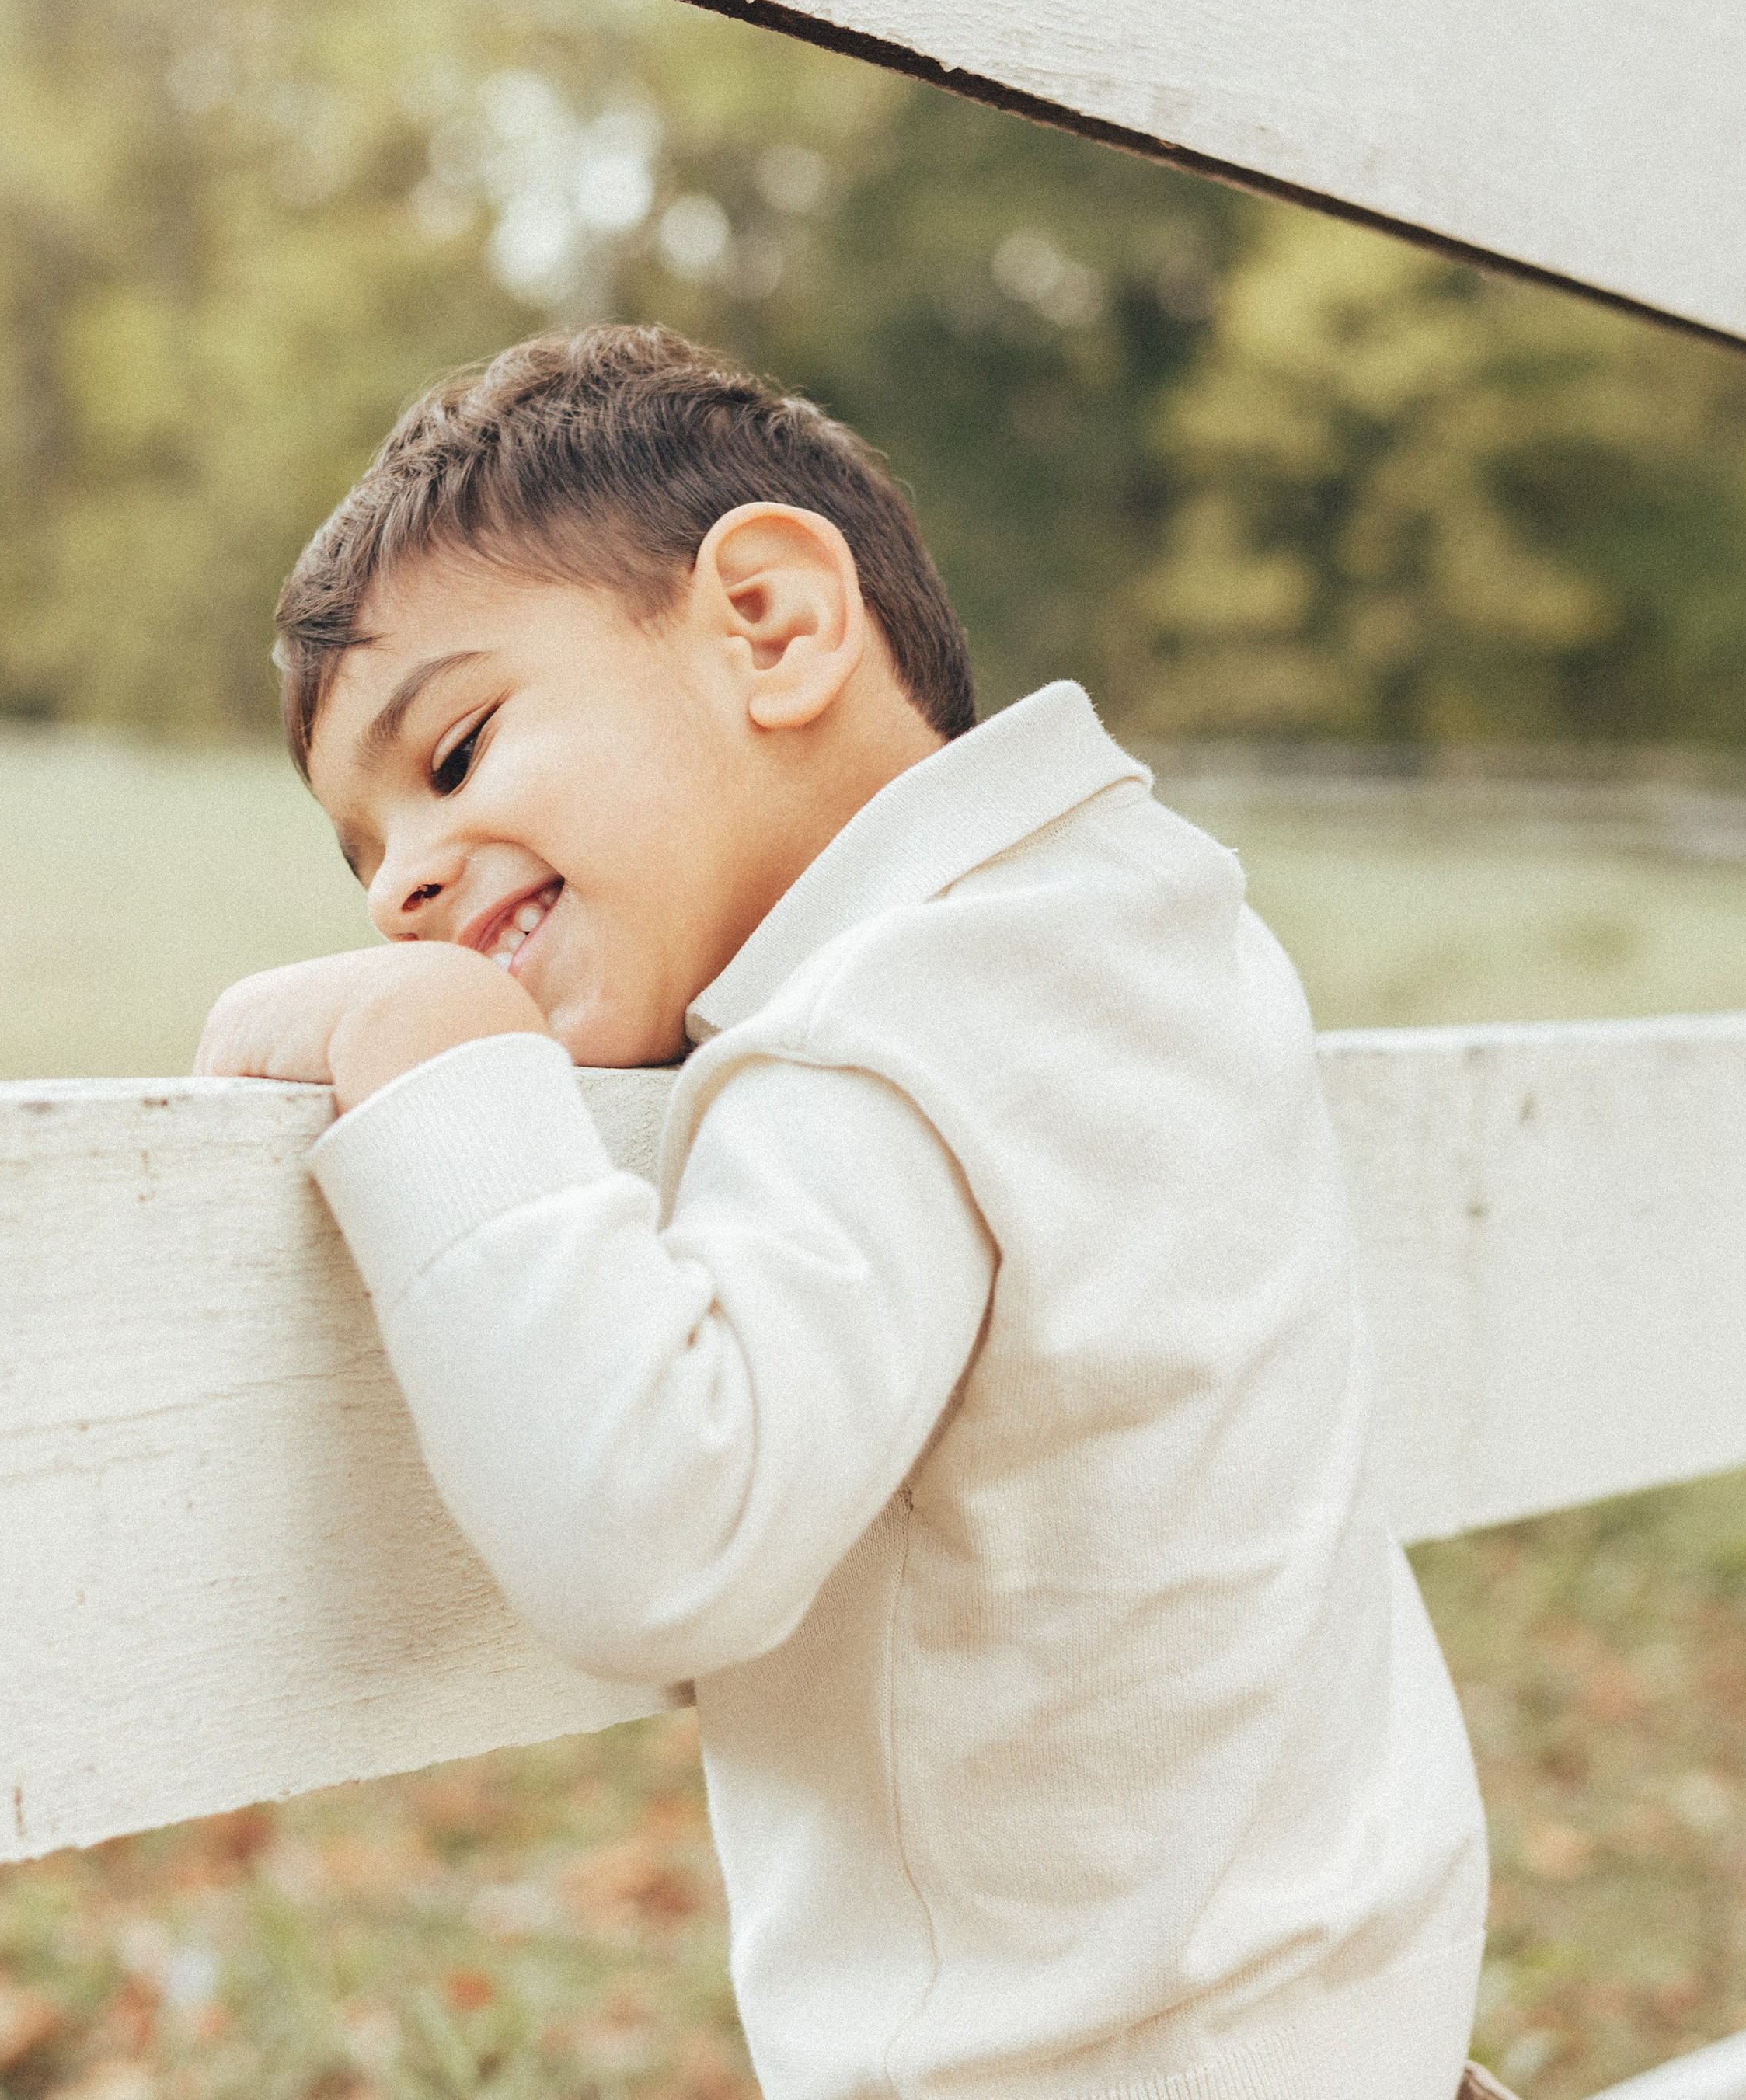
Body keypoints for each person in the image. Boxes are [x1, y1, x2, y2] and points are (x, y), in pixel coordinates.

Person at [197, 322, 1494, 2100]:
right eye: (359, 861)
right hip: (1361, 2018)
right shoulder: (1139, 927)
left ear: (773, 623)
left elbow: (657, 1529)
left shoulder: (879, 1034)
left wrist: (427, 1052)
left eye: (455, 752)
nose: (400, 881)